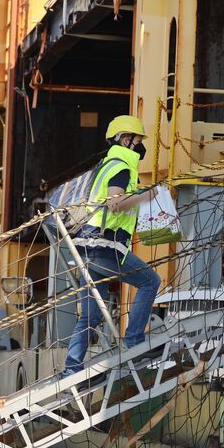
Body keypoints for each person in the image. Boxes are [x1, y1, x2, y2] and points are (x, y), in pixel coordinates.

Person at [63, 115, 162, 375]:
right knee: (150, 281)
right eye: (138, 140)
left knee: (91, 315)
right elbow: (114, 202)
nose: (140, 146)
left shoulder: (106, 165)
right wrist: (145, 195)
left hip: (86, 247)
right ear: (125, 140)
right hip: (105, 247)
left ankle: (72, 367)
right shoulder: (121, 166)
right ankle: (134, 343)